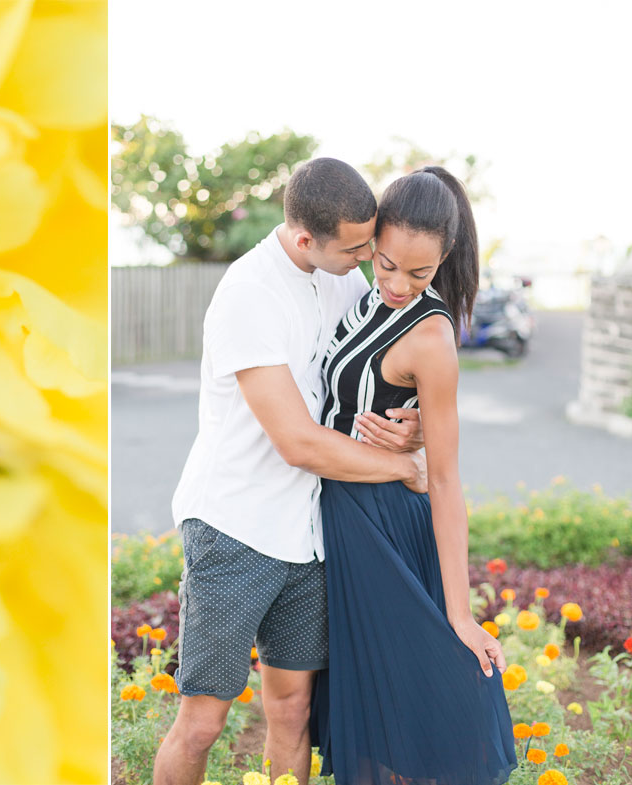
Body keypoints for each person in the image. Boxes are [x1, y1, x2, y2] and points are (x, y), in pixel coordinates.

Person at [157, 158, 430, 785]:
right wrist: (403, 469)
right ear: (306, 239)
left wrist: (409, 423)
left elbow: (382, 373)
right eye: (357, 248)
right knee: (201, 723)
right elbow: (299, 443)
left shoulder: (341, 278)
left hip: (307, 535)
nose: (368, 262)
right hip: (234, 528)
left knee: (291, 709)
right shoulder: (248, 295)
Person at [308, 166, 518, 785]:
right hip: (338, 511)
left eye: (419, 272)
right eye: (388, 264)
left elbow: (447, 480)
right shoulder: (359, 291)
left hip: (385, 525)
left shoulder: (431, 336)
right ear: (372, 243)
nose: (398, 283)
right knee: (368, 701)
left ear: (444, 258)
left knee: (413, 696)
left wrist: (461, 610)